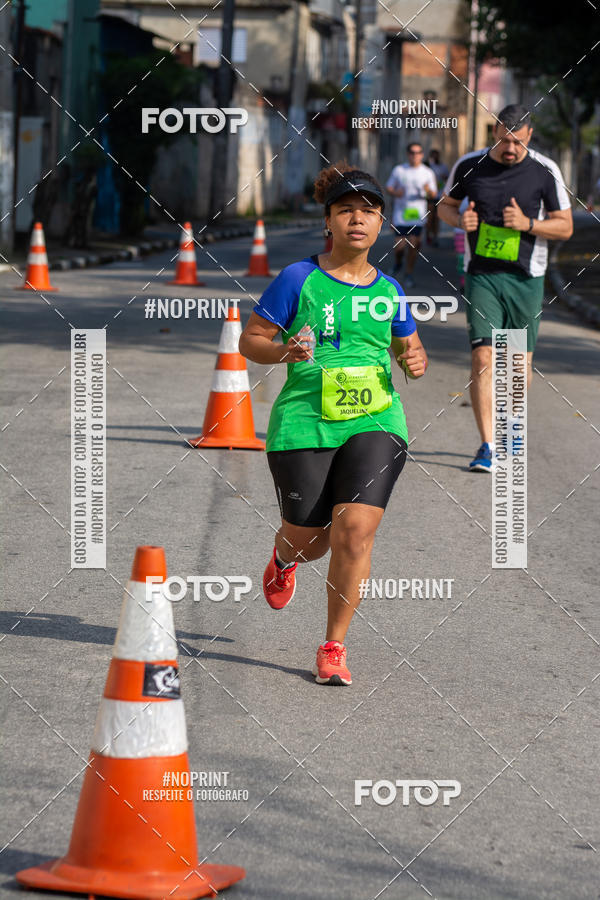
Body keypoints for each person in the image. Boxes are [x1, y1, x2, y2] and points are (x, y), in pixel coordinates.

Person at [238, 163, 428, 685]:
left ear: (381, 223)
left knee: (354, 533)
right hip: (304, 421)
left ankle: (333, 646)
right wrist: (283, 350)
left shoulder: (388, 288)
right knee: (310, 540)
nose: (357, 220)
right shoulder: (298, 279)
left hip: (376, 420)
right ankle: (283, 557)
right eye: (346, 211)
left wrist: (413, 359)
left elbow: (407, 344)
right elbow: (249, 341)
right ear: (328, 221)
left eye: (368, 212)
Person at [438, 104, 573, 472]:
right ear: (495, 130)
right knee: (483, 357)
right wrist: (459, 219)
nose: (510, 148)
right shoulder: (470, 165)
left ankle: (508, 431)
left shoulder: (546, 170)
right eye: (504, 139)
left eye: (517, 141)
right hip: (482, 274)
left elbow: (564, 226)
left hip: (526, 278)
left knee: (516, 363)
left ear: (529, 135)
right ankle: (486, 445)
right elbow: (444, 207)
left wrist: (528, 224)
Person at [386, 142, 437, 287]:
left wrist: (428, 190)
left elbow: (433, 194)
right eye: (412, 152)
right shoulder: (399, 170)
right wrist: (396, 192)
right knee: (399, 247)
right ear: (408, 154)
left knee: (414, 246)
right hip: (400, 216)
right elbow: (389, 187)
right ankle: (397, 263)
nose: (415, 155)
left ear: (422, 154)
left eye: (418, 152)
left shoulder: (427, 172)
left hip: (418, 217)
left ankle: (408, 273)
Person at [426, 149, 449, 246]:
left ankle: (435, 237)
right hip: (429, 195)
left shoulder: (443, 166)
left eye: (437, 155)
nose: (435, 157)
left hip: (439, 195)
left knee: (437, 218)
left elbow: (448, 178)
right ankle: (428, 235)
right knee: (430, 217)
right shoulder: (427, 166)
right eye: (433, 155)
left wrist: (444, 177)